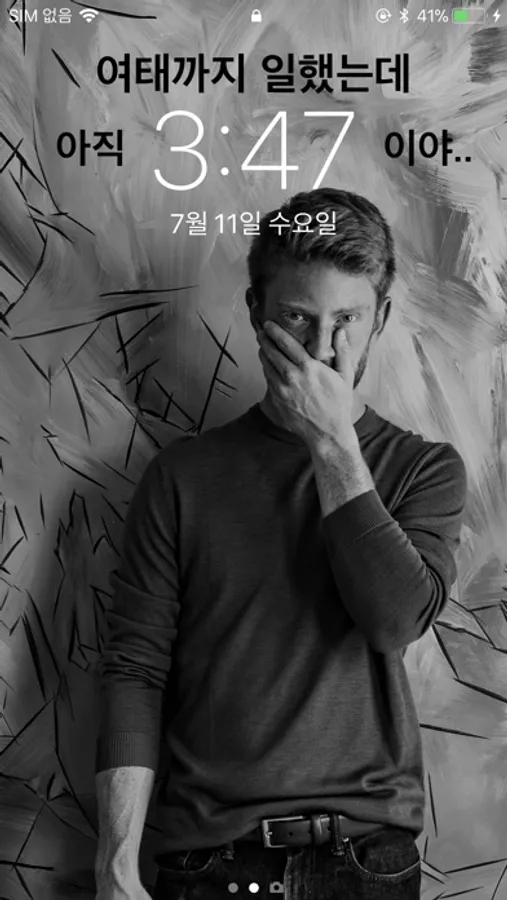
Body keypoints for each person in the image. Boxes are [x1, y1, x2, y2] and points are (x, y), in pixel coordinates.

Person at [94, 188, 467, 900]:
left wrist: (331, 442)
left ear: (381, 319)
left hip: (366, 864)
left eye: (347, 321)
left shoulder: (424, 470)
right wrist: (114, 865)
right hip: (211, 866)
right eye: (298, 317)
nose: (324, 349)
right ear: (256, 311)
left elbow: (393, 620)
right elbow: (135, 670)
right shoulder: (181, 478)